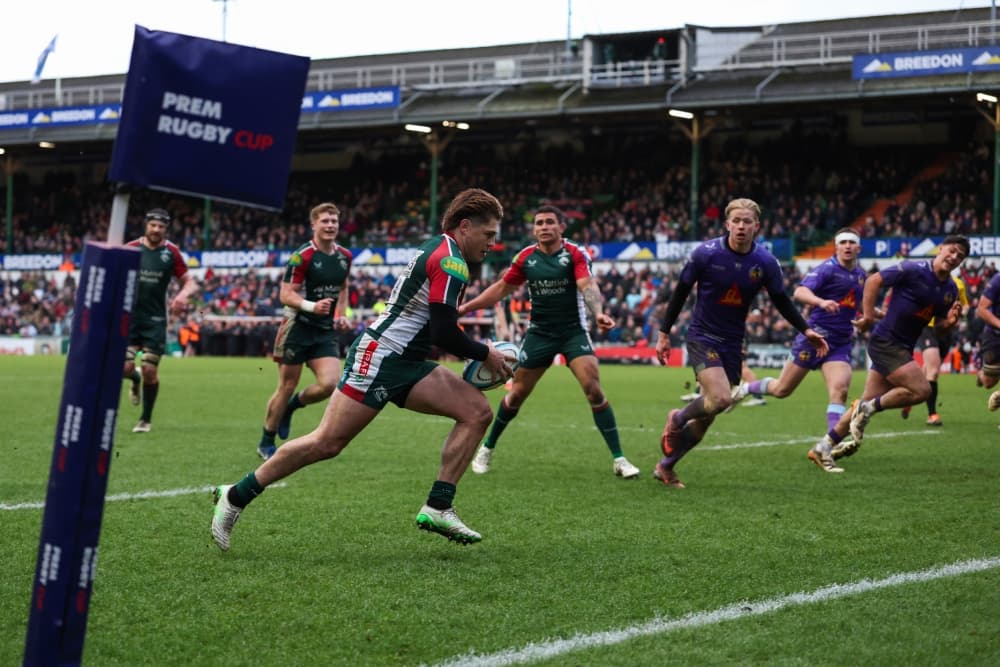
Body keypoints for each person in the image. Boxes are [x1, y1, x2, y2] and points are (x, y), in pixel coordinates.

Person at [211, 188, 513, 550]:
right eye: (489, 234)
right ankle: (235, 495)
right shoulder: (451, 261)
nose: (492, 243)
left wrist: (478, 351)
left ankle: (438, 504)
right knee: (327, 442)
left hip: (408, 362)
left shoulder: (441, 248)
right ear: (466, 226)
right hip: (381, 356)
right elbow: (444, 332)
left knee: (476, 411)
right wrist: (485, 353)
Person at [654, 198, 828, 488]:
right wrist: (664, 333)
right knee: (721, 398)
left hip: (733, 343)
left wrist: (805, 329)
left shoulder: (765, 263)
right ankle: (677, 418)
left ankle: (666, 466)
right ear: (727, 224)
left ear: (756, 226)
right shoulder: (705, 254)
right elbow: (681, 290)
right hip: (702, 336)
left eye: (747, 222)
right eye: (736, 221)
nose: (741, 226)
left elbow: (781, 300)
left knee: (710, 414)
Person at [459, 205, 641, 479]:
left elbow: (587, 286)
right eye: (539, 223)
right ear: (534, 230)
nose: (544, 227)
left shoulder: (575, 254)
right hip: (540, 334)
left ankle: (619, 459)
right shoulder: (526, 258)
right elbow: (500, 290)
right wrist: (464, 309)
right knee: (517, 394)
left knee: (593, 389)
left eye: (549, 222)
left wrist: (598, 312)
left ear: (561, 227)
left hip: (573, 332)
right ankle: (487, 448)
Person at [809, 235, 970, 473]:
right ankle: (870, 408)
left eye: (960, 256)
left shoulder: (949, 290)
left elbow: (937, 329)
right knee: (922, 390)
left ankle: (823, 447)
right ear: (941, 248)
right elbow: (873, 280)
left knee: (862, 402)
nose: (954, 257)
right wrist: (869, 317)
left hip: (902, 347)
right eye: (952, 250)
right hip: (886, 342)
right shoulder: (913, 268)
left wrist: (950, 323)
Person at [733, 228, 869, 433]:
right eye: (843, 242)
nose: (847, 246)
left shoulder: (861, 276)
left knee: (840, 392)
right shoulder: (827, 269)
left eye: (851, 242)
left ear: (858, 247)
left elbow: (857, 304)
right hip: (814, 337)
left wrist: (873, 315)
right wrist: (821, 302)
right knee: (782, 389)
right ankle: (745, 389)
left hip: (840, 342)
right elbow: (799, 291)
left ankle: (830, 443)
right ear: (836, 246)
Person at [256, 202, 353, 460]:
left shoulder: (344, 256)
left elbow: (343, 287)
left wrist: (342, 315)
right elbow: (285, 294)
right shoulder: (303, 256)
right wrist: (311, 305)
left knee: (330, 384)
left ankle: (292, 406)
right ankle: (266, 440)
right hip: (297, 327)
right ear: (314, 225)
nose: (330, 225)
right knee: (286, 385)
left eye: (334, 221)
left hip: (323, 330)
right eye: (325, 221)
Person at [122, 208, 198, 433]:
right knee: (125, 367)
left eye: (161, 227)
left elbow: (190, 282)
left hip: (155, 320)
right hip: (130, 319)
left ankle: (145, 419)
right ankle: (133, 379)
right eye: (153, 225)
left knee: (150, 371)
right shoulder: (131, 249)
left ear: (166, 229)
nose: (156, 230)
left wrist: (183, 295)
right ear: (146, 225)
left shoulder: (171, 252)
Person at [900, 274, 968, 426]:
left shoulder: (958, 284)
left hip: (946, 330)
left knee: (930, 369)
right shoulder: (926, 280)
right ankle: (932, 414)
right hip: (927, 327)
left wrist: (960, 313)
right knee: (934, 371)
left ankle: (911, 396)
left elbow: (965, 305)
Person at [975, 271, 1000, 412]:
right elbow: (981, 309)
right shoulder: (998, 280)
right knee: (989, 383)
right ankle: (982, 374)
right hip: (995, 336)